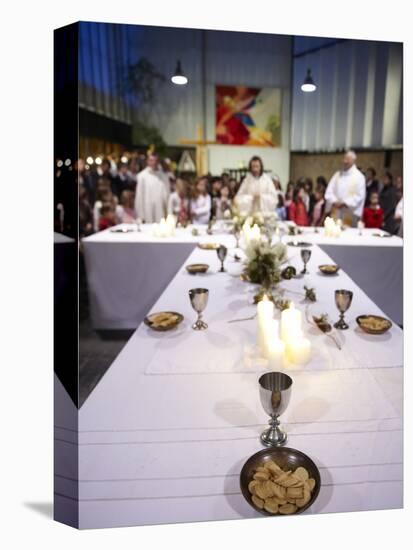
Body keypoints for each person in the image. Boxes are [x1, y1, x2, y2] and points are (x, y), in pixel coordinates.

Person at [325, 150, 366, 226]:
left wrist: (345, 203)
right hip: (336, 212)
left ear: (354, 160)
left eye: (348, 159)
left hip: (350, 213)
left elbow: (360, 196)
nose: (345, 161)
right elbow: (329, 192)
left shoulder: (359, 177)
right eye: (344, 159)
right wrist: (334, 201)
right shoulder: (337, 175)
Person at [135, 153, 169, 223]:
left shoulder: (164, 176)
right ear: (147, 161)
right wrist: (140, 215)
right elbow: (139, 196)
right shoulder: (142, 176)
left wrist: (168, 211)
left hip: (160, 209)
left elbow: (167, 194)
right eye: (151, 160)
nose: (154, 163)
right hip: (147, 209)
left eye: (155, 160)